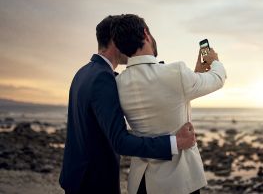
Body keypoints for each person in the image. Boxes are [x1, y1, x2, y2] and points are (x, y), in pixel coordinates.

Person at [59, 16, 196, 194]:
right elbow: (120, 141)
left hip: (75, 177)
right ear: (116, 41)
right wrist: (174, 143)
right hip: (94, 182)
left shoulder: (83, 72)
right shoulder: (103, 79)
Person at [112, 14, 227, 194]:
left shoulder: (118, 83)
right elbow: (218, 79)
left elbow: (175, 98)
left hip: (141, 182)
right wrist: (214, 61)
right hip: (179, 182)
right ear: (146, 34)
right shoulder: (175, 72)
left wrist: (196, 72)